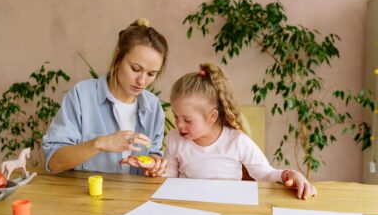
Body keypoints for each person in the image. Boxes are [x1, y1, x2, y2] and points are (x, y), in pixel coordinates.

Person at [123, 63, 317, 199]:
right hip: (186, 209)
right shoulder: (175, 139)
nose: (179, 125)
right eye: (176, 116)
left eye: (187, 120)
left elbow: (266, 174)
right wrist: (154, 168)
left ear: (212, 117)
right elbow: (171, 177)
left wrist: (292, 175)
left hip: (227, 210)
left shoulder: (237, 141)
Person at [42, 18, 168, 176]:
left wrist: (155, 164)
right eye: (135, 69)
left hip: (137, 199)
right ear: (118, 57)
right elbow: (54, 162)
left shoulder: (153, 106)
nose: (142, 81)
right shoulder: (82, 96)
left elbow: (154, 153)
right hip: (86, 198)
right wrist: (100, 143)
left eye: (151, 74)